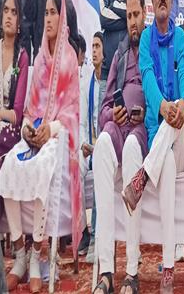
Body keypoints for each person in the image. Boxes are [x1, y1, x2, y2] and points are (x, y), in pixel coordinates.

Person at [0, 0, 81, 292]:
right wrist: (26, 131)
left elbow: (72, 113)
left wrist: (51, 129)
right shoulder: (39, 59)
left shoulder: (70, 59)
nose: (48, 19)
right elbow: (30, 110)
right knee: (9, 165)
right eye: (45, 13)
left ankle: (36, 255)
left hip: (58, 138)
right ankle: (19, 255)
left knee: (44, 166)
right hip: (34, 134)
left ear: (63, 17)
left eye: (53, 13)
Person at [121, 0, 184, 293]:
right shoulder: (147, 37)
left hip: (181, 137)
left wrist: (181, 106)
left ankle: (141, 177)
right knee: (164, 160)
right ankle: (168, 269)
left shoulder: (180, 37)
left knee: (174, 129)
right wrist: (164, 106)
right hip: (159, 136)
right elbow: (147, 76)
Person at [92, 0, 149, 294]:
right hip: (119, 126)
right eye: (128, 16)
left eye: (136, 14)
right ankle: (106, 271)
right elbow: (103, 110)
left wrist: (145, 113)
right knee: (102, 146)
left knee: (129, 150)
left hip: (141, 131)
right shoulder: (119, 54)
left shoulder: (152, 49)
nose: (132, 22)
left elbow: (161, 96)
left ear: (145, 14)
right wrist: (112, 114)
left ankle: (131, 271)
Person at [0, 0, 28, 225]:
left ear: (19, 22)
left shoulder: (22, 57)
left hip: (9, 131)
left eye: (14, 12)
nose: (9, 16)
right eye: (6, 10)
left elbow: (17, 113)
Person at [78, 31, 105, 261]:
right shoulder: (86, 83)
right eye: (92, 46)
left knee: (98, 169)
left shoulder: (108, 82)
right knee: (73, 170)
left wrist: (97, 148)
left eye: (98, 46)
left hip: (104, 147)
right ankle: (82, 232)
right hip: (88, 146)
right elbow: (82, 122)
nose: (94, 51)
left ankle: (96, 236)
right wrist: (83, 145)